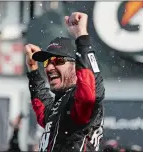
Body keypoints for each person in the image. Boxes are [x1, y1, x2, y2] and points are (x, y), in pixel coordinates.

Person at [24, 12, 105, 151]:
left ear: (75, 66)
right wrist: (33, 71)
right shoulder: (60, 106)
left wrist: (82, 38)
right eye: (47, 62)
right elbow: (42, 110)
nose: (49, 67)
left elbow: (90, 92)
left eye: (58, 61)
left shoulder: (78, 103)